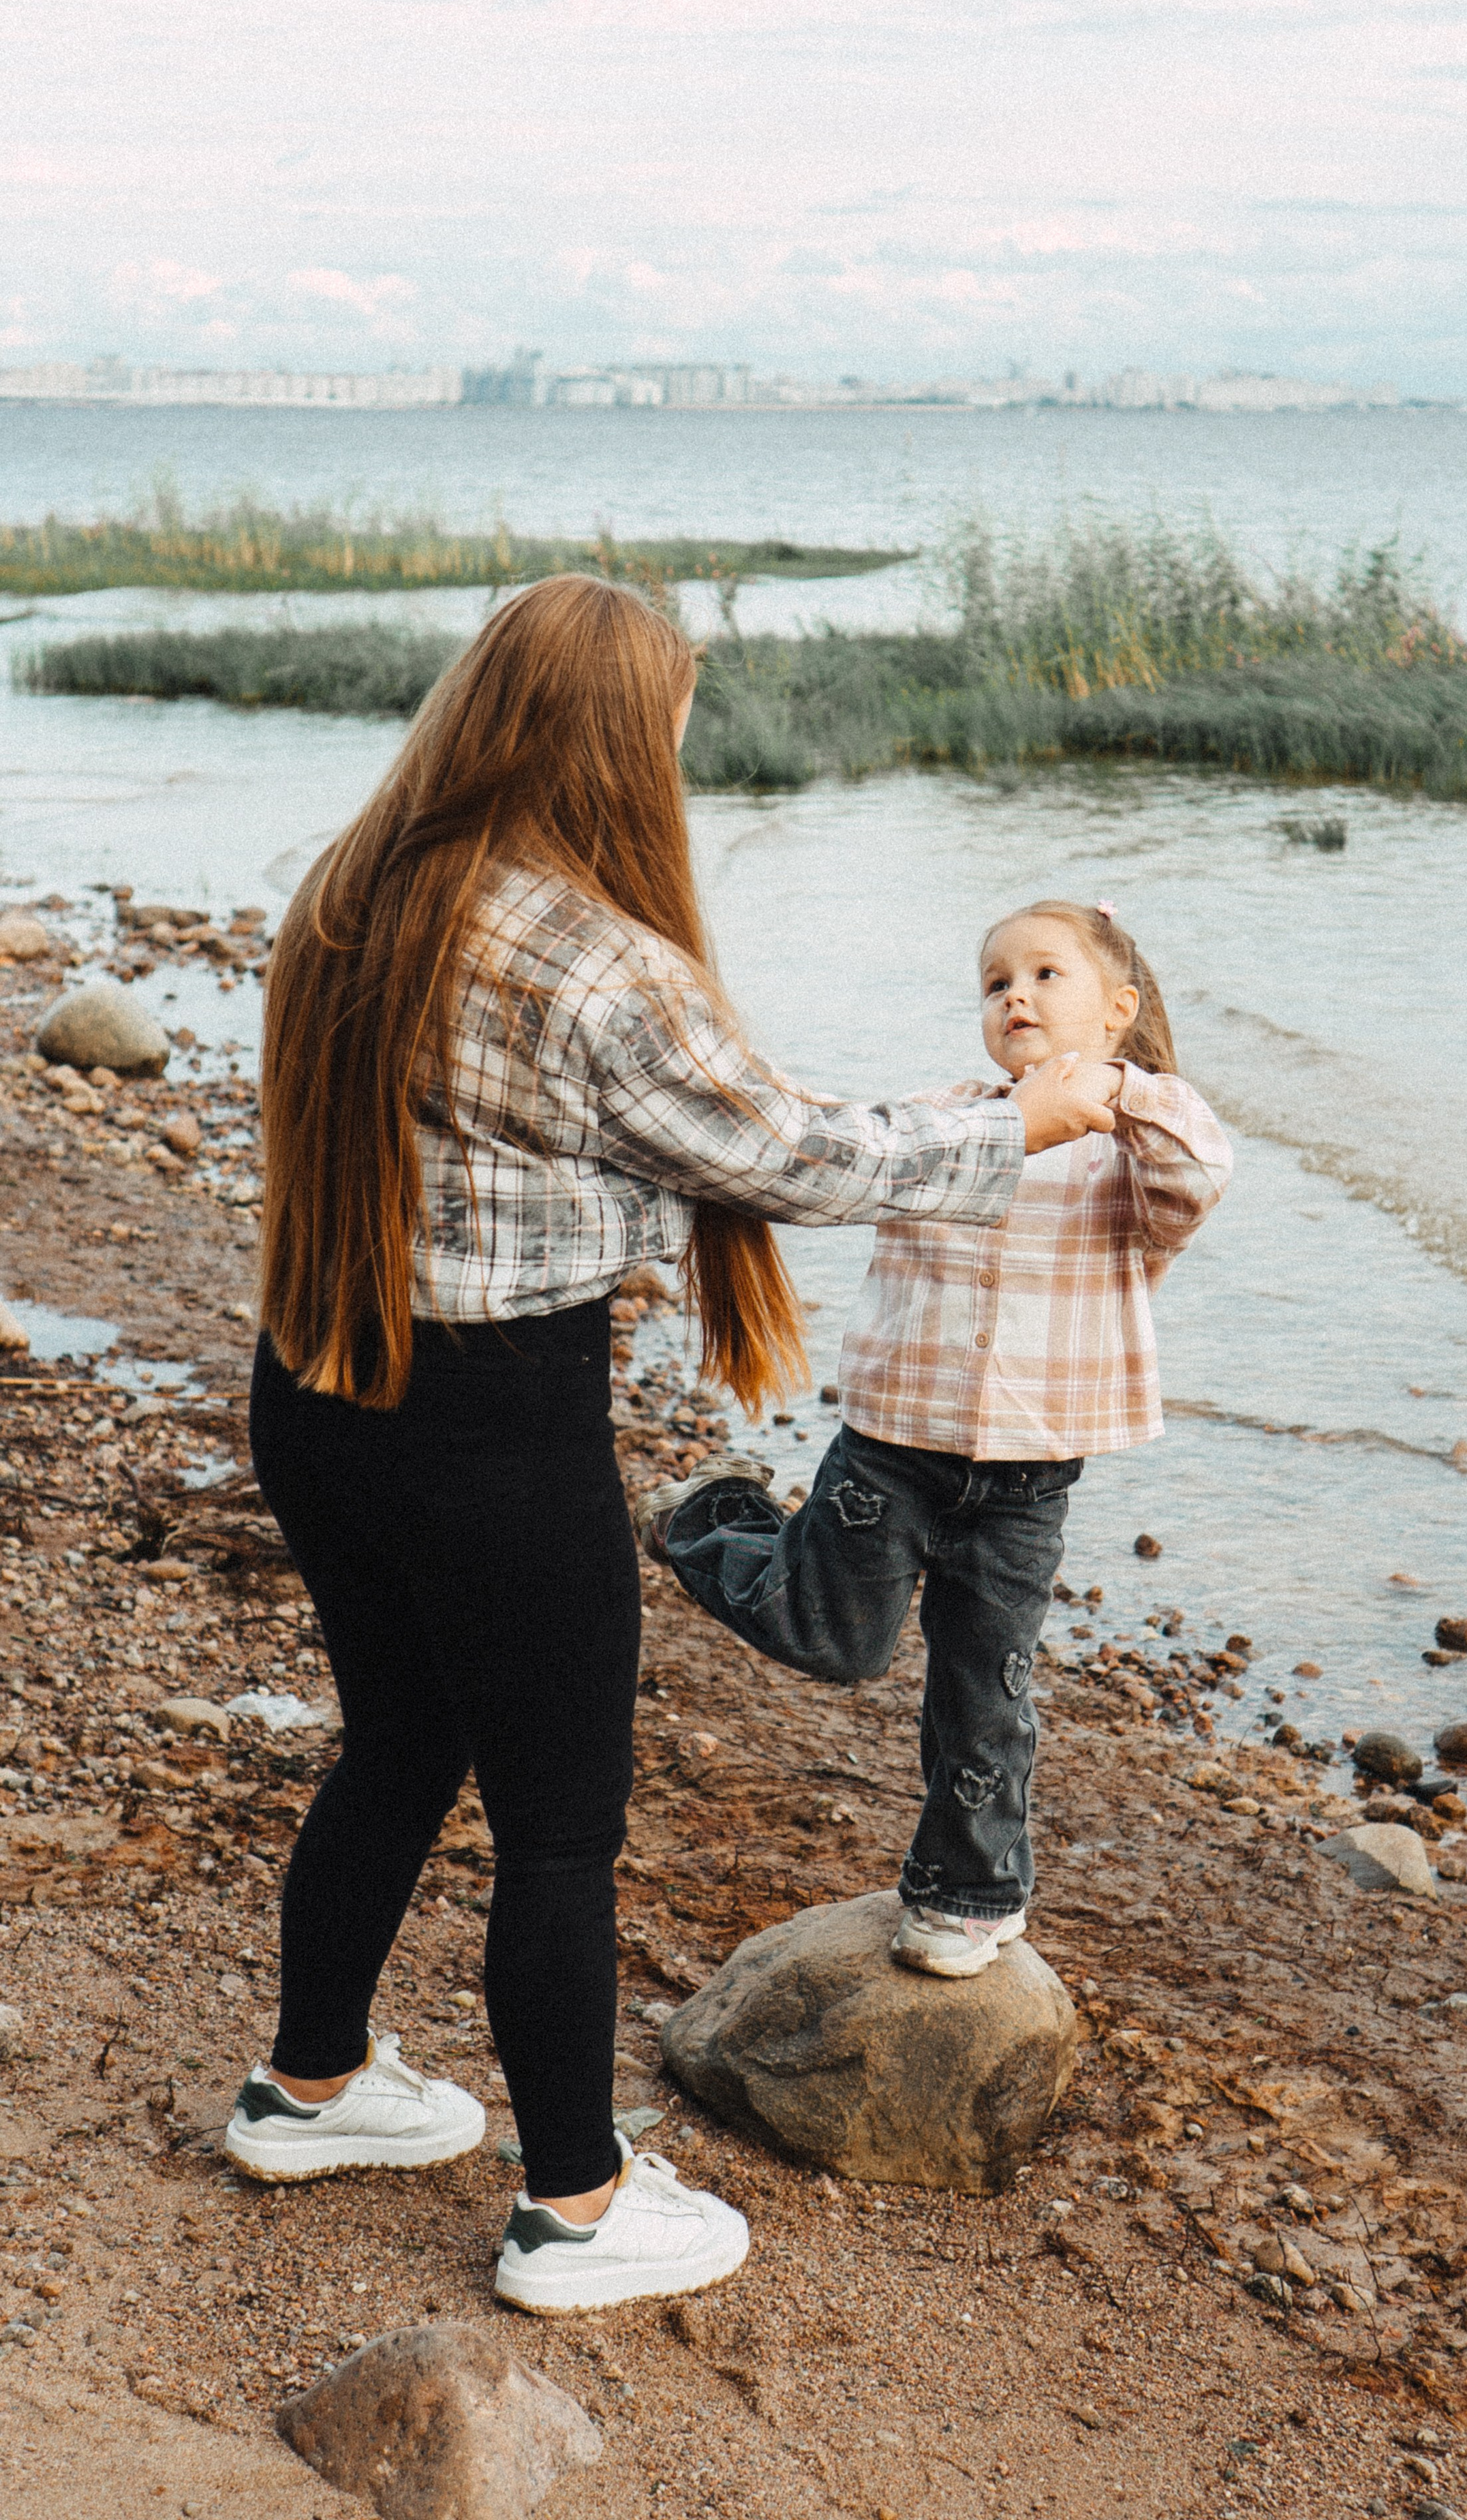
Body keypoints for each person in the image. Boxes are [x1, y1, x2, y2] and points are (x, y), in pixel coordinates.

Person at [220, 576, 1120, 2317]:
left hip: (315, 1389)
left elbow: (697, 1135)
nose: (684, 758)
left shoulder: (352, 888)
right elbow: (781, 1154)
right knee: (560, 1827)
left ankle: (307, 2085)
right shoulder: (589, 954)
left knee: (399, 1741)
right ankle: (572, 2202)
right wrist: (1015, 1122)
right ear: (612, 736)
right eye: (674, 726)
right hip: (489, 1424)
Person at [641, 899, 1232, 1977]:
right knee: (837, 1642)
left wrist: (1119, 1090)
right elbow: (841, 1148)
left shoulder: (1134, 1159)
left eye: (1048, 976)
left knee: (987, 1687)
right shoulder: (950, 1120)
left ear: (1119, 1010)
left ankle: (967, 1892)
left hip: (1030, 1473)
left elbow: (1203, 1171)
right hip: (893, 1451)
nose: (1017, 997)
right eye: (997, 982)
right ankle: (709, 1520)